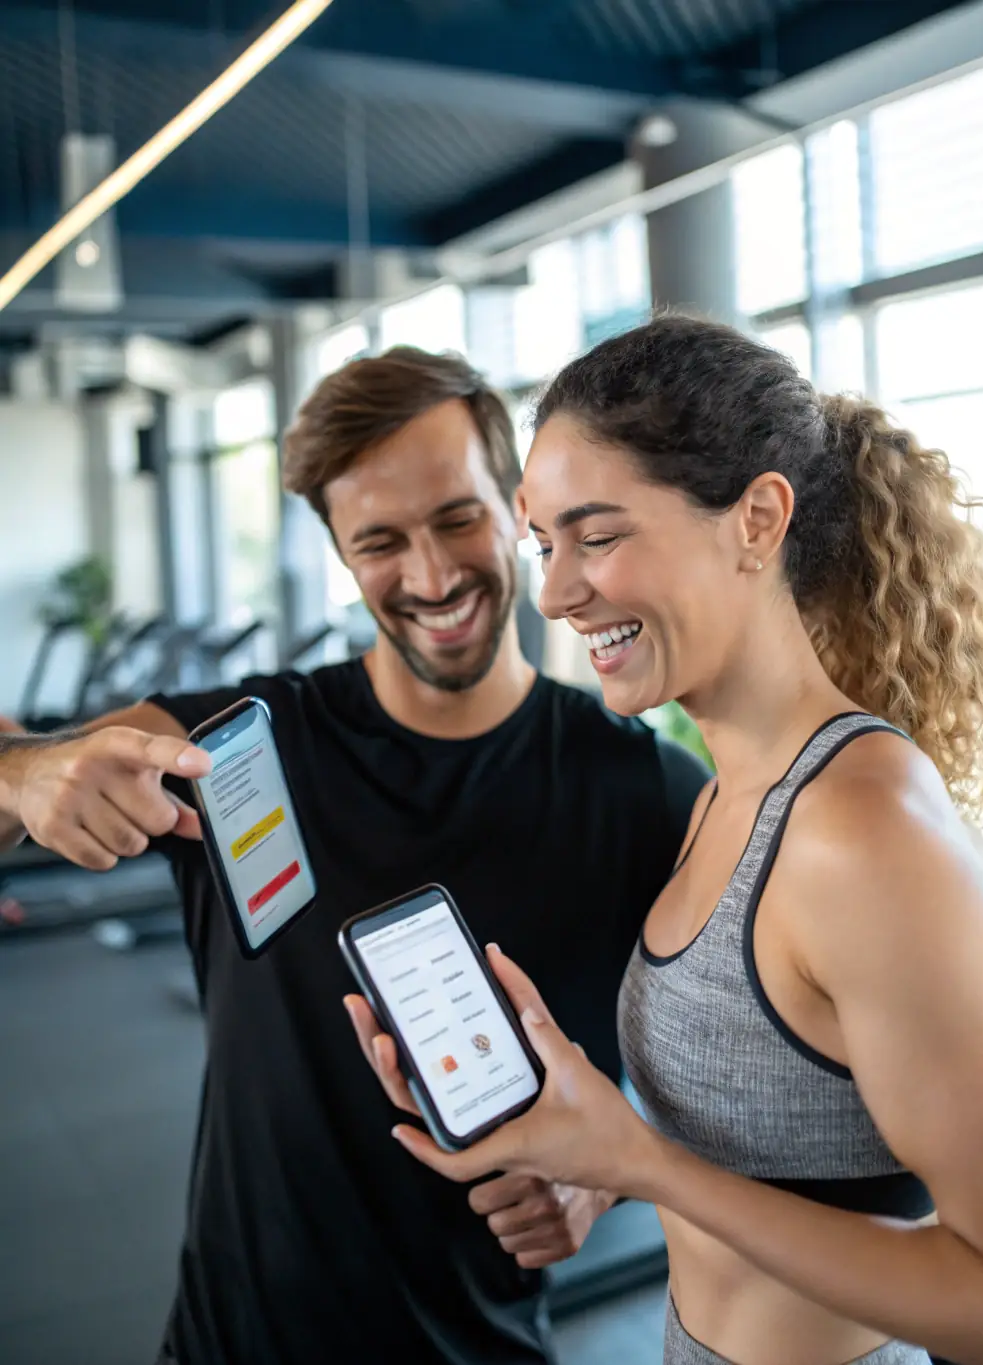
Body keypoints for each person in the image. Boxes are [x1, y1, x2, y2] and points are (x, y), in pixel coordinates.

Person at [0, 345, 709, 1365]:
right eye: (379, 541)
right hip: (230, 1345)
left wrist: (611, 1169)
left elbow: (742, 1072)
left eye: (457, 519)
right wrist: (26, 776)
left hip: (483, 1345)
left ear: (515, 506)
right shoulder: (235, 746)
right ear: (339, 550)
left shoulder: (643, 788)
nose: (429, 576)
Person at [352, 317, 983, 1365]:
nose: (556, 590)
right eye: (543, 543)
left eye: (598, 535)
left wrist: (641, 1164)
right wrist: (577, 1132)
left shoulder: (861, 832)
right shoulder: (727, 791)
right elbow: (773, 1141)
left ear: (755, 519)